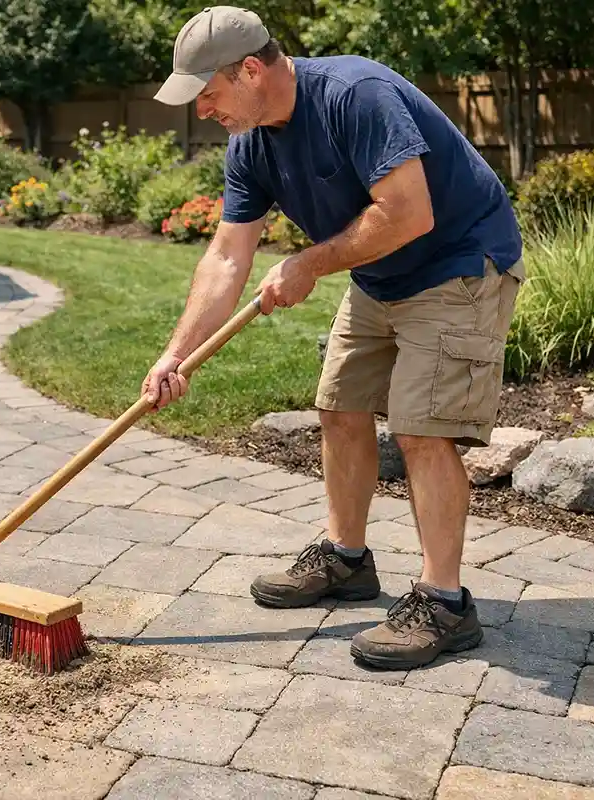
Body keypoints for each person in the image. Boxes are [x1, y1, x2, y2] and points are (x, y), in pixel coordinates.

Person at [143, 6, 524, 670]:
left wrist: (309, 264)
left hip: (460, 262)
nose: (204, 111)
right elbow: (228, 258)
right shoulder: (252, 144)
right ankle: (347, 561)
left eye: (209, 94)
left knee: (422, 430)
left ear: (251, 70)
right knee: (340, 408)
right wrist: (176, 355)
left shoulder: (355, 96)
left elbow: (408, 211)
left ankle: (445, 603)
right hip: (381, 274)